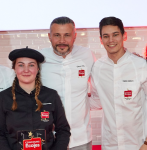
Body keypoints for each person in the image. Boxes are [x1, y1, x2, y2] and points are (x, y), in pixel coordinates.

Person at [90, 16, 147, 150]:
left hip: (138, 143)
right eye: (106, 36)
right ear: (101, 40)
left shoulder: (141, 65)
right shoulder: (98, 68)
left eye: (115, 35)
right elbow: (96, 101)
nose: (111, 40)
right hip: (110, 143)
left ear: (124, 36)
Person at [0, 47, 70, 150]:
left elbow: (63, 130)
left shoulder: (51, 95)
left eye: (31, 65)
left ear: (37, 69)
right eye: (21, 65)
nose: (26, 70)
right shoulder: (3, 98)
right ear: (14, 68)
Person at [40, 17, 94, 150]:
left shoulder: (87, 55)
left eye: (67, 35)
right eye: (57, 35)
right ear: (49, 37)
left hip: (81, 139)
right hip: (49, 139)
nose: (62, 41)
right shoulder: (39, 59)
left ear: (74, 36)